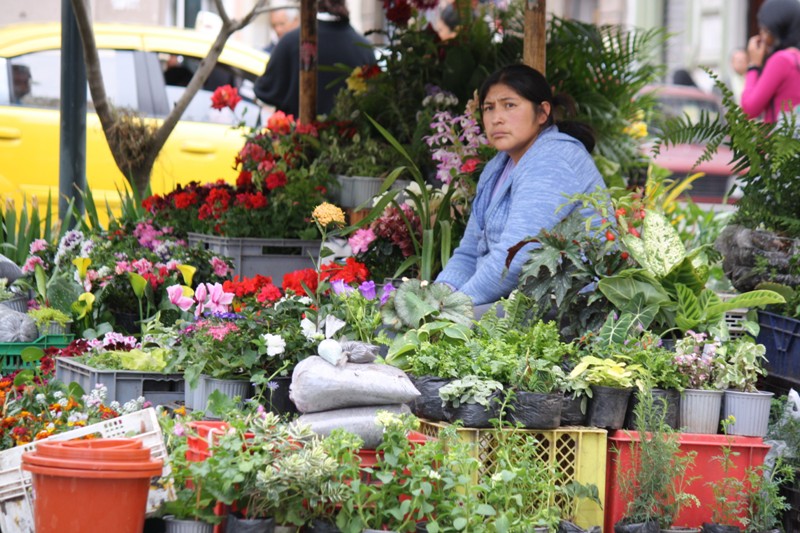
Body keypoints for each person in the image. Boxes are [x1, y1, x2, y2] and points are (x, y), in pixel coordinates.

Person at [435, 64, 605, 307]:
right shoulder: (497, 167)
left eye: (509, 105)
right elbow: (470, 251)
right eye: (488, 108)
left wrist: (451, 307)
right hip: (508, 300)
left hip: (564, 308)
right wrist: (437, 295)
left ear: (543, 112)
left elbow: (515, 258)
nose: (497, 118)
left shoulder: (553, 158)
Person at [253, 0, 375, 117]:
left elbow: (265, 92)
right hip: (349, 135)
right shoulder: (364, 48)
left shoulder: (291, 42)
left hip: (297, 134)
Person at [741, 0, 800, 123]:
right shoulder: (795, 59)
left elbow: (749, 109)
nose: (762, 36)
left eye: (766, 30)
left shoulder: (781, 61)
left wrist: (753, 65)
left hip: (779, 141)